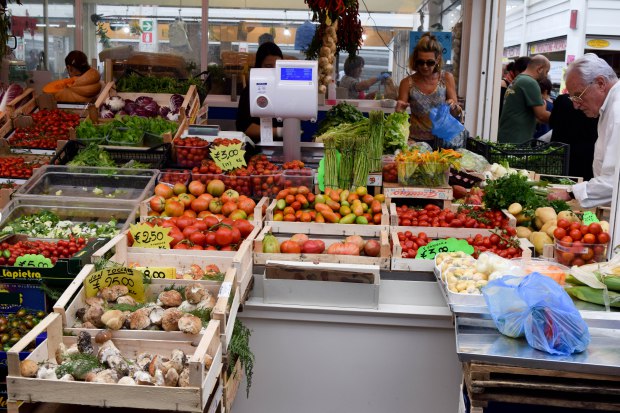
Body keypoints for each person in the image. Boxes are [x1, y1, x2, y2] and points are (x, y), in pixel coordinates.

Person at [548, 53, 619, 208]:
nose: (576, 105)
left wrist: (570, 193)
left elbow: (615, 180)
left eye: (578, 96)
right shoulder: (608, 107)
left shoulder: (617, 111)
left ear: (600, 83)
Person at [396, 32, 461, 146]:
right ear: (415, 60)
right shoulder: (407, 83)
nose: (425, 66)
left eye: (430, 62)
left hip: (443, 141)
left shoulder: (446, 78)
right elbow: (399, 117)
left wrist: (453, 105)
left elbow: (455, 111)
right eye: (421, 62)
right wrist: (398, 110)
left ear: (437, 60)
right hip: (415, 142)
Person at [235, 42, 284, 143]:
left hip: (284, 148)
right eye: (268, 66)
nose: (273, 71)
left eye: (277, 67)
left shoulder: (286, 90)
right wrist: (279, 131)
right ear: (259, 66)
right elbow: (245, 127)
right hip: (255, 149)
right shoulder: (249, 92)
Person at [498, 55, 551, 144]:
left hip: (508, 137)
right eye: (546, 71)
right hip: (517, 140)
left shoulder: (518, 79)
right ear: (540, 69)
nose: (546, 75)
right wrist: (562, 119)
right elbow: (541, 115)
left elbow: (521, 113)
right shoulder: (530, 82)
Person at [549, 93, 598, 180]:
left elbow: (552, 122)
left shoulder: (562, 100)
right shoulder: (594, 105)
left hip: (560, 152)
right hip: (587, 155)